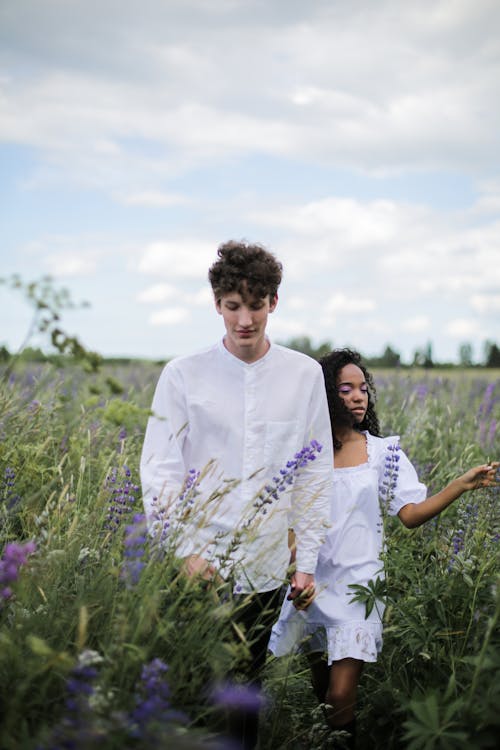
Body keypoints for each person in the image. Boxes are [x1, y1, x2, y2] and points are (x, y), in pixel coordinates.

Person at [140, 240, 334, 748]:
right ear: (216, 303)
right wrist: (183, 550)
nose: (244, 319)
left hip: (266, 561)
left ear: (274, 301)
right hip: (198, 559)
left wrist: (307, 560)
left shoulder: (304, 374)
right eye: (232, 306)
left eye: (255, 304)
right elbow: (158, 466)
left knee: (246, 684)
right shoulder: (182, 374)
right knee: (196, 683)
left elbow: (314, 471)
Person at [268, 348, 498, 749]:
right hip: (314, 583)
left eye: (363, 389)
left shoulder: (383, 452)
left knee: (341, 696)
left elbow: (409, 514)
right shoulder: (308, 453)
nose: (359, 397)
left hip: (361, 585)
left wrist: (459, 486)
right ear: (324, 394)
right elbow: (292, 523)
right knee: (322, 693)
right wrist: (294, 572)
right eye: (346, 389)